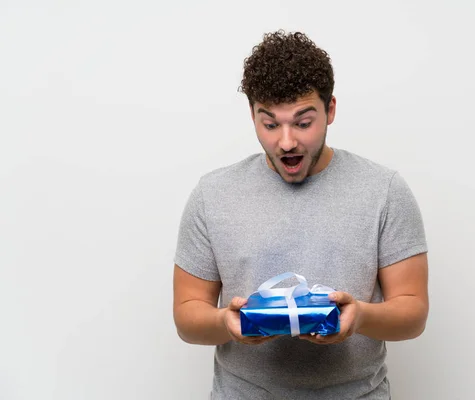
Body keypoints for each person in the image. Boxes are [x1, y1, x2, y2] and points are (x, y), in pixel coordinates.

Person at [173, 30, 429, 399]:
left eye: (303, 122)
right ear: (252, 115)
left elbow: (414, 312)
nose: (287, 141)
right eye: (270, 123)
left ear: (331, 110)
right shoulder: (212, 194)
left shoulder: (383, 190)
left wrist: (361, 316)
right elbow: (186, 316)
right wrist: (225, 323)